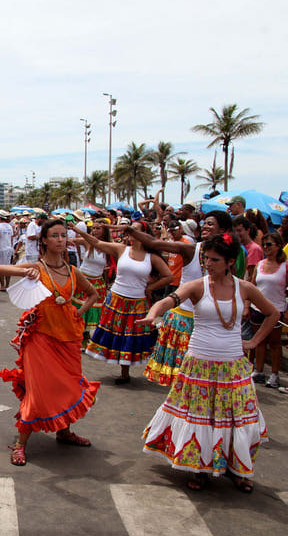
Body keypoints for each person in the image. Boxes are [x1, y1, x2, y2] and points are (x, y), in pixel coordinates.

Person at [139, 234, 275, 493]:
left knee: (235, 419)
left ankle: (236, 470)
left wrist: (254, 341)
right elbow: (169, 300)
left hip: (233, 366)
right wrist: (153, 313)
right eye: (205, 258)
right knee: (201, 418)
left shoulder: (244, 287)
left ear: (230, 262)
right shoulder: (197, 286)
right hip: (199, 364)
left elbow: (272, 313)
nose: (207, 263)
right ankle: (198, 469)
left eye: (214, 260)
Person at [0, 219, 101, 467]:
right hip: (40, 338)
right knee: (38, 390)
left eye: (64, 235)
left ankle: (63, 431)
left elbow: (94, 294)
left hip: (69, 339)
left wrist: (79, 312)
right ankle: (20, 444)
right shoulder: (38, 267)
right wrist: (25, 271)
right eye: (55, 235)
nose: (61, 240)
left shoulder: (73, 272)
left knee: (68, 387)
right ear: (43, 240)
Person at [125, 211, 231, 386]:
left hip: (211, 322)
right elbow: (153, 242)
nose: (205, 226)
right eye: (205, 223)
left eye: (211, 224)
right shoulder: (190, 249)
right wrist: (129, 229)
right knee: (183, 380)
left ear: (224, 230)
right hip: (184, 319)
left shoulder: (231, 258)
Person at [76, 221, 173, 384]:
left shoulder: (152, 257)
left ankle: (124, 372)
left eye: (134, 230)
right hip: (115, 299)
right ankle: (123, 372)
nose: (130, 232)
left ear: (143, 234)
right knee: (115, 334)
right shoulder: (121, 249)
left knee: (129, 336)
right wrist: (78, 231)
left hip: (137, 303)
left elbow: (169, 276)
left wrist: (150, 288)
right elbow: (97, 243)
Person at [246, 232, 286, 388]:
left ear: (279, 246)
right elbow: (252, 285)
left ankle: (274, 375)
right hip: (257, 309)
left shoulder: (285, 266)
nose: (265, 248)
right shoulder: (260, 264)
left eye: (269, 245)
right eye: (264, 244)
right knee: (259, 341)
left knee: (275, 343)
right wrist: (248, 305)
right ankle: (259, 371)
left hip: (277, 309)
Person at [71, 220, 109, 347]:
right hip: (82, 280)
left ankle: (87, 339)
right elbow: (73, 241)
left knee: (93, 311)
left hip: (98, 282)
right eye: (93, 228)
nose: (95, 230)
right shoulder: (87, 242)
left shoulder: (109, 246)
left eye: (99, 228)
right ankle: (76, 337)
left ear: (105, 231)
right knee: (79, 308)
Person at [232, 216, 263, 280]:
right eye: (234, 231)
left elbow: (251, 276)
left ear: (248, 230)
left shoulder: (254, 249)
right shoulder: (236, 246)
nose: (236, 234)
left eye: (239, 230)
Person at [0, 210, 15, 291]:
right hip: (8, 248)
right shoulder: (9, 226)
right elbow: (11, 238)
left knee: (0, 268)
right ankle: (7, 285)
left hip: (1, 249)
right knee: (8, 267)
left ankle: (2, 285)